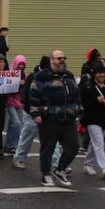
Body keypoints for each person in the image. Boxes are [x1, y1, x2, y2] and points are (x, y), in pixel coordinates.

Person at [28, 51, 82, 188]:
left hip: (68, 119)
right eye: (59, 58)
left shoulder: (68, 75)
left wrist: (78, 110)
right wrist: (35, 114)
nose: (62, 60)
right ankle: (46, 174)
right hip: (49, 118)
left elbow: (76, 94)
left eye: (64, 58)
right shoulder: (42, 76)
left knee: (73, 147)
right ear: (52, 60)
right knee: (48, 149)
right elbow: (33, 95)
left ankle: (60, 169)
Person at [81, 64, 105, 179]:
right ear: (94, 74)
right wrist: (96, 100)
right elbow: (84, 103)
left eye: (104, 72)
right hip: (91, 119)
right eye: (99, 72)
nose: (102, 75)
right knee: (99, 142)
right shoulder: (88, 86)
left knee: (94, 143)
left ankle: (87, 164)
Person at [4, 55, 27, 155]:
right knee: (17, 123)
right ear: (15, 63)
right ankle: (13, 145)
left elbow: (25, 89)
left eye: (23, 64)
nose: (21, 66)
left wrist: (24, 84)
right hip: (9, 100)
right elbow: (5, 85)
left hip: (18, 101)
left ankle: (8, 145)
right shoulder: (9, 73)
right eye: (19, 64)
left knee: (12, 124)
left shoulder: (24, 75)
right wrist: (17, 83)